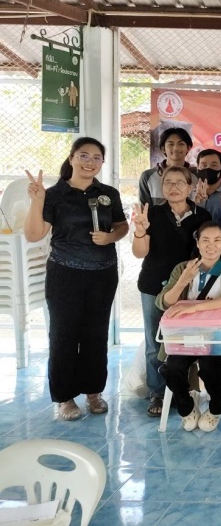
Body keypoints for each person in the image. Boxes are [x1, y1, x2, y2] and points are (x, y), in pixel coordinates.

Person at [24, 138, 128, 420]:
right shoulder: (54, 194)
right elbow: (34, 234)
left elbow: (122, 225)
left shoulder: (108, 193)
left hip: (103, 274)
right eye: (83, 155)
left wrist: (111, 237)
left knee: (96, 334)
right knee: (64, 335)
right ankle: (65, 397)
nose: (89, 162)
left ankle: (94, 392)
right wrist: (37, 202)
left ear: (102, 163)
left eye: (96, 157)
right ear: (71, 158)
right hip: (65, 273)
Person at [132, 165, 211, 417]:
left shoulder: (202, 216)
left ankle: (184, 390)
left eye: (179, 182)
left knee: (186, 340)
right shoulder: (151, 214)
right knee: (155, 340)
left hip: (189, 289)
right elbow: (139, 253)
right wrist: (140, 231)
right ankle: (157, 392)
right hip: (153, 285)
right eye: (168, 182)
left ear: (190, 187)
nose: (173, 187)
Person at [156, 222, 221, 432]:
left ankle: (217, 406)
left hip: (219, 336)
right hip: (185, 336)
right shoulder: (183, 268)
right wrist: (182, 281)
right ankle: (186, 407)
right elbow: (163, 302)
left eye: (217, 240)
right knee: (173, 367)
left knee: (209, 365)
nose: (211, 245)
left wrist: (194, 307)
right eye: (205, 240)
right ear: (197, 243)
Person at [139, 127, 193, 206]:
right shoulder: (147, 176)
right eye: (171, 144)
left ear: (188, 148)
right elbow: (144, 208)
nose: (176, 148)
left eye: (181, 144)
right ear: (163, 149)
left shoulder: (197, 175)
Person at [193, 149, 221, 221]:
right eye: (204, 165)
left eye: (214, 165)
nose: (208, 168)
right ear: (197, 169)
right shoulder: (187, 195)